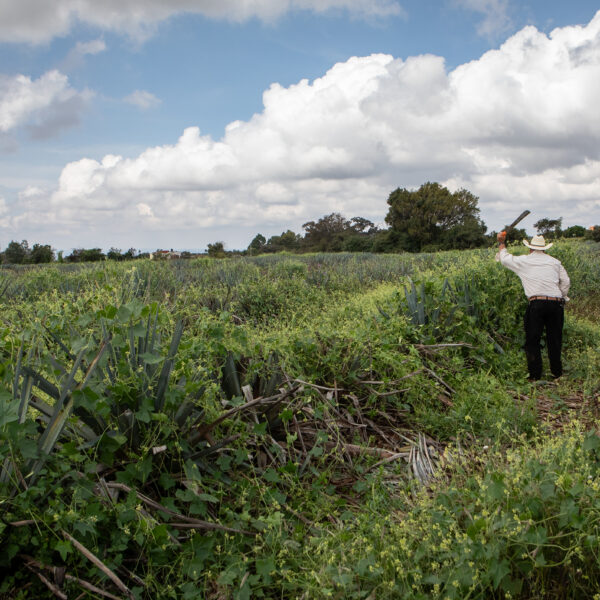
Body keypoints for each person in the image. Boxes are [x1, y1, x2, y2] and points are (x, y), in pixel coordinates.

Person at [496, 232, 570, 381]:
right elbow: (566, 281)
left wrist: (501, 242)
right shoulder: (555, 262)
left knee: (532, 340)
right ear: (544, 249)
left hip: (536, 303)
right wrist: (562, 297)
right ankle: (557, 373)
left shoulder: (525, 261)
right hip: (556, 303)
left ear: (530, 248)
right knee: (554, 339)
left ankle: (535, 376)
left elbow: (504, 259)